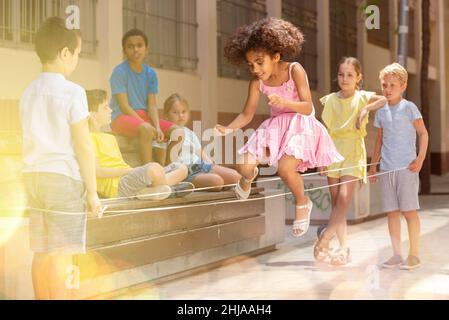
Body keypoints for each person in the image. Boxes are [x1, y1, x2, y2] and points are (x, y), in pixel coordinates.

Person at [215, 18, 343, 237]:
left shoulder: (295, 70)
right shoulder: (257, 82)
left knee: (285, 169)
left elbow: (307, 106)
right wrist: (229, 128)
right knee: (243, 166)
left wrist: (285, 103)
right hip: (275, 127)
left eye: (259, 62)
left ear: (275, 56)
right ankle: (248, 177)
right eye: (250, 64)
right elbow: (247, 114)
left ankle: (303, 203)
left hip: (300, 125)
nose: (255, 69)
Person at [19, 17, 102, 299]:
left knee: (42, 253)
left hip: (32, 180)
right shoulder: (73, 91)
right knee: (67, 254)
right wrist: (92, 193)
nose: (76, 60)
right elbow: (84, 147)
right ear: (64, 53)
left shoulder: (27, 93)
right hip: (62, 181)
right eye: (77, 54)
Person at [314, 57, 386, 265]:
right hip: (332, 151)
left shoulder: (363, 97)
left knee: (344, 198)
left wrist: (365, 109)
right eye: (341, 74)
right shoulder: (330, 100)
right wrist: (321, 157)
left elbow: (384, 100)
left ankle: (326, 237)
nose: (345, 79)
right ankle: (343, 247)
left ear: (358, 78)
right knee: (338, 205)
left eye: (350, 75)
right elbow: (324, 132)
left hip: (353, 151)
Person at [369, 63, 428, 270]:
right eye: (385, 85)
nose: (388, 89)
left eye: (393, 85)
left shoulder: (409, 108)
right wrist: (373, 166)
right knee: (392, 213)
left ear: (403, 86)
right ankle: (396, 254)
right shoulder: (381, 112)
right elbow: (379, 140)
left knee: (409, 212)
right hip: (386, 170)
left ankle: (414, 254)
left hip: (406, 169)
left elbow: (423, 134)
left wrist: (420, 159)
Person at [87, 89, 191, 200]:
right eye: (105, 107)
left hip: (128, 176)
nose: (111, 110)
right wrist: (127, 171)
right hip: (117, 187)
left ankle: (152, 191)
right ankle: (168, 189)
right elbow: (96, 172)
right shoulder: (88, 139)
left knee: (181, 168)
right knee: (154, 168)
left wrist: (131, 171)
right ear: (93, 115)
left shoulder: (109, 137)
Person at [109, 29, 185, 166]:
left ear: (147, 49)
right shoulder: (119, 72)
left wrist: (157, 126)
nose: (135, 49)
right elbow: (124, 106)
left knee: (178, 132)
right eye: (130, 46)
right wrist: (148, 126)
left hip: (144, 117)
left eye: (139, 45)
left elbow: (152, 105)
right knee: (146, 129)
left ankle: (168, 172)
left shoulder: (150, 74)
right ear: (124, 50)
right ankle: (149, 174)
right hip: (121, 117)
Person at [163, 93, 241, 191]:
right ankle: (189, 184)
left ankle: (213, 181)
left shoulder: (190, 133)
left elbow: (202, 154)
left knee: (237, 177)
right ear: (166, 115)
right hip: (185, 172)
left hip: (200, 166)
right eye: (175, 112)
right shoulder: (165, 133)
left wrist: (212, 167)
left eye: (184, 111)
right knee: (217, 182)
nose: (181, 115)